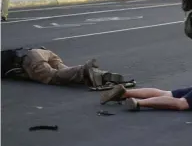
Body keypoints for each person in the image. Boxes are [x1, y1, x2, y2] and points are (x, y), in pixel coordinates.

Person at [1, 47, 136, 91]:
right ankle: (97, 75)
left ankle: (84, 70)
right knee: (64, 72)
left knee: (54, 77)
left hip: (28, 60)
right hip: (41, 52)